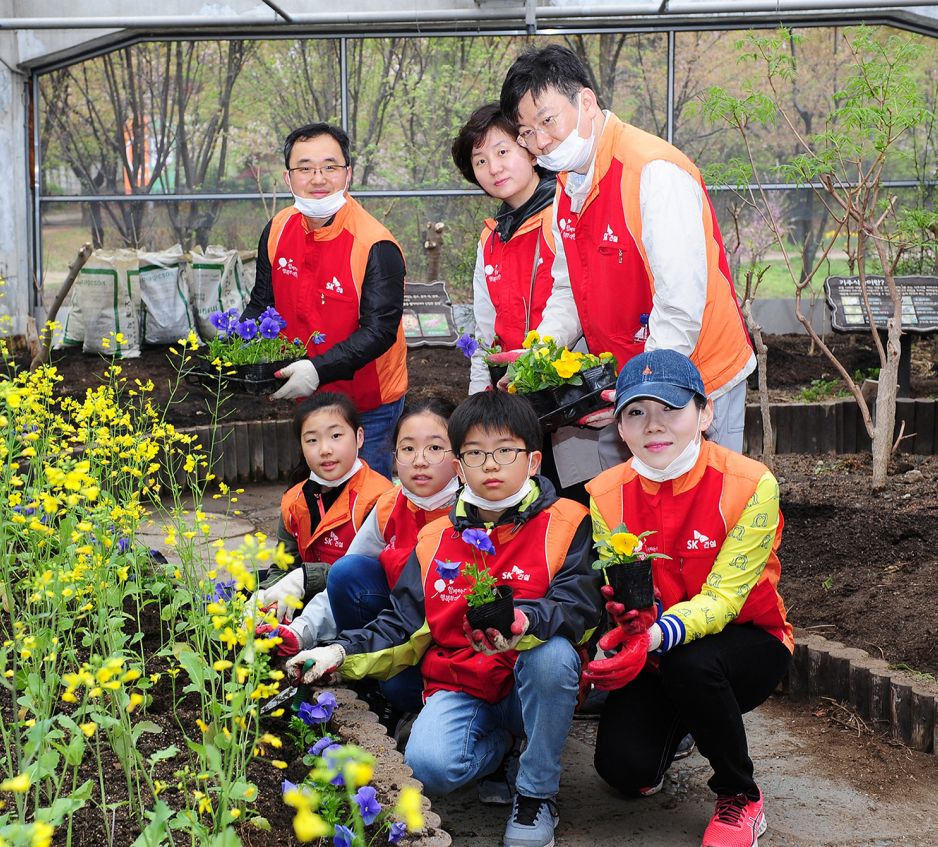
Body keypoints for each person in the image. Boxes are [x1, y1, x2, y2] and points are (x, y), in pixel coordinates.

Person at [287, 391, 600, 847]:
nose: (490, 465)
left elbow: (582, 611)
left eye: (505, 451)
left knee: (552, 657)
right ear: (460, 466)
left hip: (527, 681)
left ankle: (536, 794)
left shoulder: (568, 521)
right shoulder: (435, 538)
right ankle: (502, 751)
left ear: (533, 461)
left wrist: (525, 621)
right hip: (463, 681)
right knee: (430, 768)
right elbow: (403, 624)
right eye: (475, 453)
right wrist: (337, 652)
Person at [498, 45, 755, 471]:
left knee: (704, 506)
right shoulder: (567, 185)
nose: (540, 142)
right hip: (627, 382)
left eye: (547, 121)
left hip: (697, 376)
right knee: (631, 512)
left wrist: (636, 395)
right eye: (526, 133)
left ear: (586, 102)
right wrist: (540, 354)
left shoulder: (652, 172)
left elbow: (679, 307)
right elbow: (569, 289)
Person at [581, 349, 793, 847]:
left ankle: (741, 796)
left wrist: (656, 635)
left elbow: (723, 600)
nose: (654, 426)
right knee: (624, 773)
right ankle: (693, 719)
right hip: (659, 651)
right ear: (620, 427)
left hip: (747, 643)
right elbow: (620, 589)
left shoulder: (751, 485)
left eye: (670, 409)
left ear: (705, 412)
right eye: (636, 412)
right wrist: (619, 636)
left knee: (690, 663)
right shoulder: (605, 494)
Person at [260, 397, 459, 715]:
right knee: (349, 571)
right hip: (395, 629)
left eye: (435, 448)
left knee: (396, 686)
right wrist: (301, 632)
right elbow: (339, 575)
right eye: (407, 449)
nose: (419, 461)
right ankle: (375, 690)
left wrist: (340, 650)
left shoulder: (473, 518)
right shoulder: (390, 504)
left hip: (452, 648)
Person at [240, 123, 407, 479]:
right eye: (305, 168)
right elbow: (261, 303)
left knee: (366, 509)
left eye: (330, 167)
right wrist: (233, 346)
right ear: (288, 178)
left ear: (347, 174)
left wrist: (316, 370)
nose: (318, 178)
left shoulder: (376, 244)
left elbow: (379, 332)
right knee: (319, 499)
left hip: (368, 405)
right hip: (308, 399)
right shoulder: (277, 230)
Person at [450, 103, 558, 394]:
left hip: (567, 387)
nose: (493, 168)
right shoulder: (491, 237)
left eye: (502, 152)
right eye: (480, 161)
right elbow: (485, 329)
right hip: (510, 389)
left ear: (533, 154)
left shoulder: (563, 218)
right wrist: (478, 394)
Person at [257, 392, 393, 619]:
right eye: (312, 440)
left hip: (360, 607)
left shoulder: (381, 499)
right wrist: (263, 597)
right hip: (311, 596)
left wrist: (305, 577)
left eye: (336, 436)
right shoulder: (294, 500)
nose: (325, 449)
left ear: (359, 437)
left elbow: (378, 578)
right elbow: (284, 567)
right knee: (246, 585)